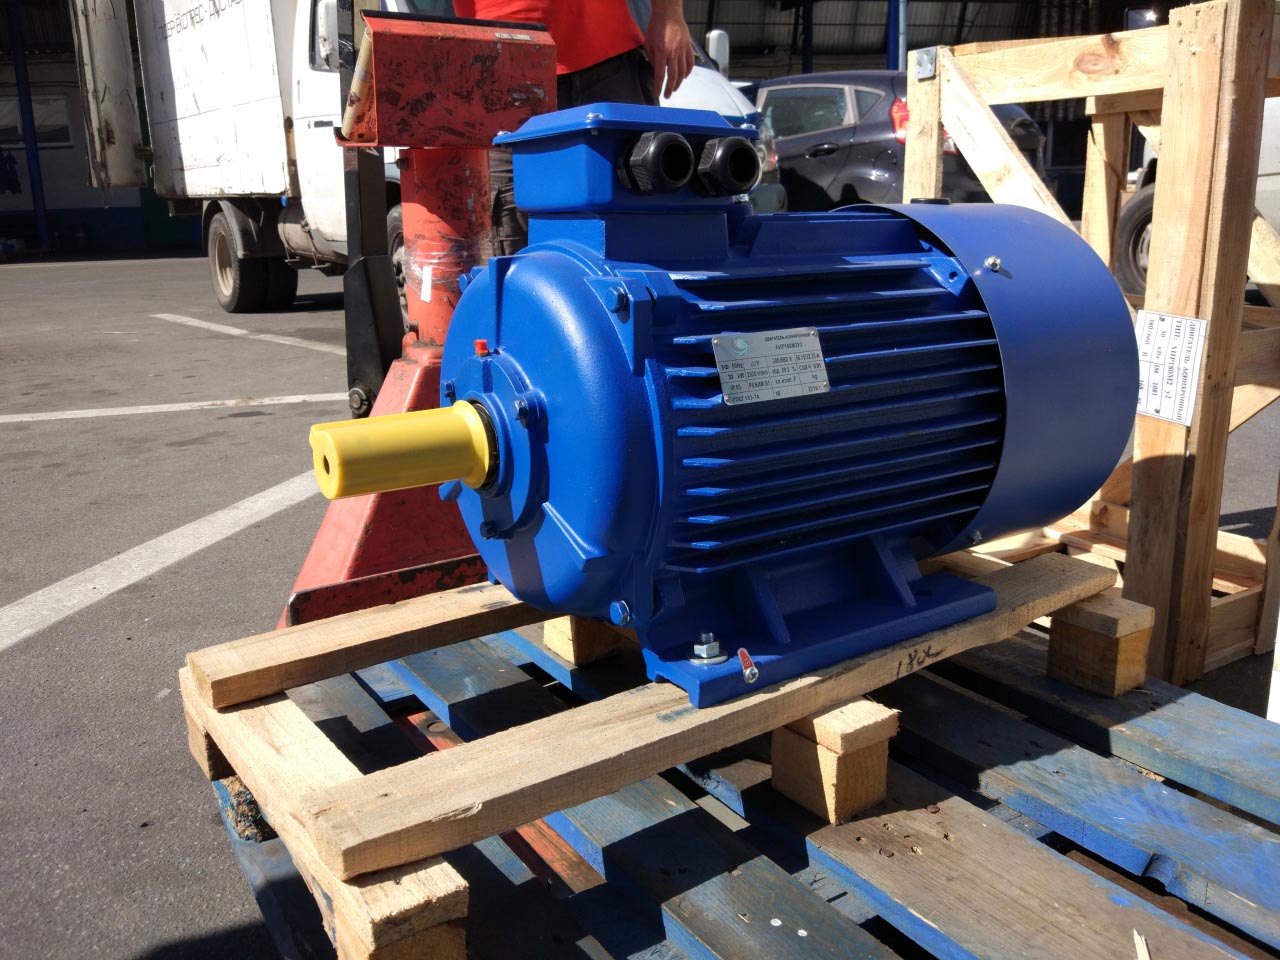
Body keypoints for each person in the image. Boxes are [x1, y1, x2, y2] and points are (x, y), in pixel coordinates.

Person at [453, 0, 694, 254]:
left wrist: (669, 14)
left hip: (610, 59)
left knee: (640, 224)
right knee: (513, 244)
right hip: (499, 66)